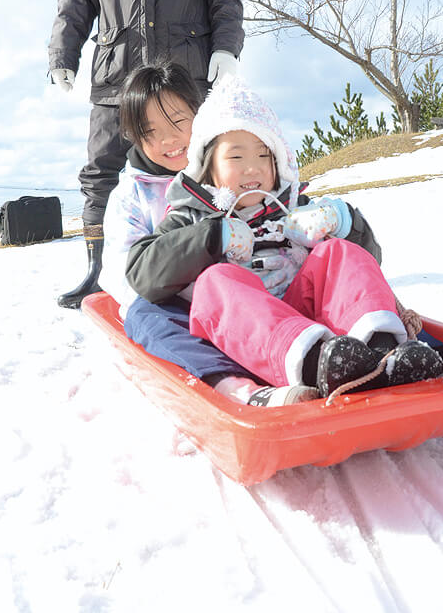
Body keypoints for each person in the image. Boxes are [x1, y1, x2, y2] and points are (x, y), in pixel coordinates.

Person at [125, 75, 443, 399]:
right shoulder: (190, 215)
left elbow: (366, 265)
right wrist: (209, 237)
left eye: (264, 156)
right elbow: (142, 271)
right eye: (236, 157)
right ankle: (313, 364)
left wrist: (342, 221)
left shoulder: (294, 208)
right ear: (208, 166)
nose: (252, 168)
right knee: (216, 280)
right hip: (252, 337)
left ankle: (383, 351)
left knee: (337, 251)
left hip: (314, 324)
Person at [48, 0, 244, 309]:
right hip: (117, 78)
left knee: (198, 166)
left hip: (183, 80)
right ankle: (96, 270)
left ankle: (206, 262)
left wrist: (226, 47)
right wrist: (63, 53)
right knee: (100, 171)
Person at [98, 61, 319, 407]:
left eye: (177, 121)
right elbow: (125, 273)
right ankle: (236, 385)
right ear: (136, 137)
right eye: (150, 131)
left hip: (257, 292)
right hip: (182, 305)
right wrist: (192, 283)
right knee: (144, 314)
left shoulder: (227, 168)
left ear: (200, 116)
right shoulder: (132, 196)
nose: (168, 139)